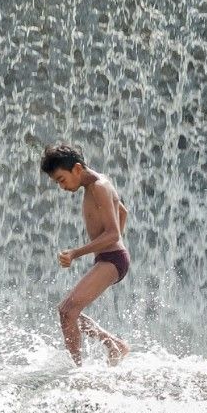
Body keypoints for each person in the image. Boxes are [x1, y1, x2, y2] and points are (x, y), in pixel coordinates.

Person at [40, 143, 132, 365]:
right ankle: (114, 345)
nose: (61, 187)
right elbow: (123, 212)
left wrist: (75, 253)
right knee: (67, 311)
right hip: (109, 258)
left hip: (113, 259)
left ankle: (77, 370)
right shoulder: (98, 184)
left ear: (77, 169)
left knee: (67, 312)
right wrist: (106, 249)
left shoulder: (99, 187)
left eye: (61, 179)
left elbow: (113, 234)